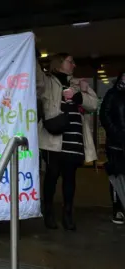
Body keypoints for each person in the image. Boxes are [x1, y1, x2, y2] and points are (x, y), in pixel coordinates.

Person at [37, 52, 98, 231]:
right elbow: (36, 80)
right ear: (59, 64)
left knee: (70, 179)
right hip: (53, 138)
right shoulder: (47, 82)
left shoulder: (79, 84)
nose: (74, 65)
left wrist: (80, 96)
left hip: (74, 139)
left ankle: (68, 215)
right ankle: (48, 212)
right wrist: (32, 53)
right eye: (70, 61)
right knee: (52, 176)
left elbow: (94, 104)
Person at [99, 71, 125, 225]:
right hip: (117, 144)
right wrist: (116, 134)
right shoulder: (113, 94)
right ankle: (118, 209)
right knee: (117, 177)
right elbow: (104, 115)